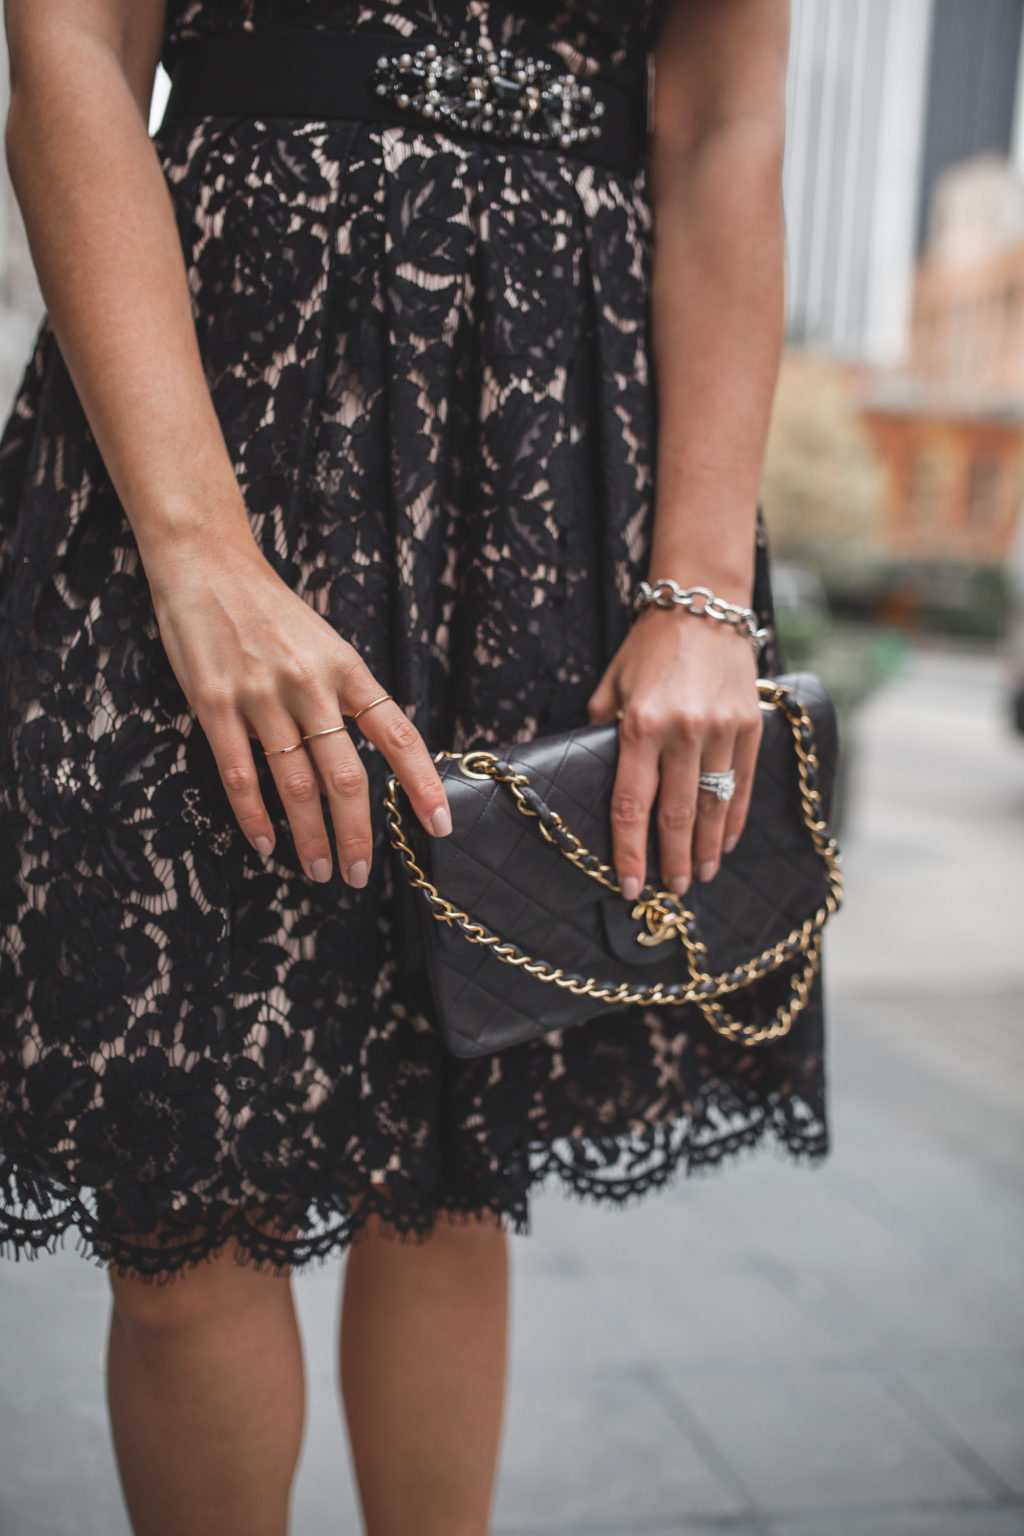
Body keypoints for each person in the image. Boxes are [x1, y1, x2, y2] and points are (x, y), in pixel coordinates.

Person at [0, 1, 825, 1533]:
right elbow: (72, 50)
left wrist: (703, 591)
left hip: (547, 439)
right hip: (215, 385)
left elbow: (725, 120)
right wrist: (196, 553)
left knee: (447, 1169)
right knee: (185, 1204)